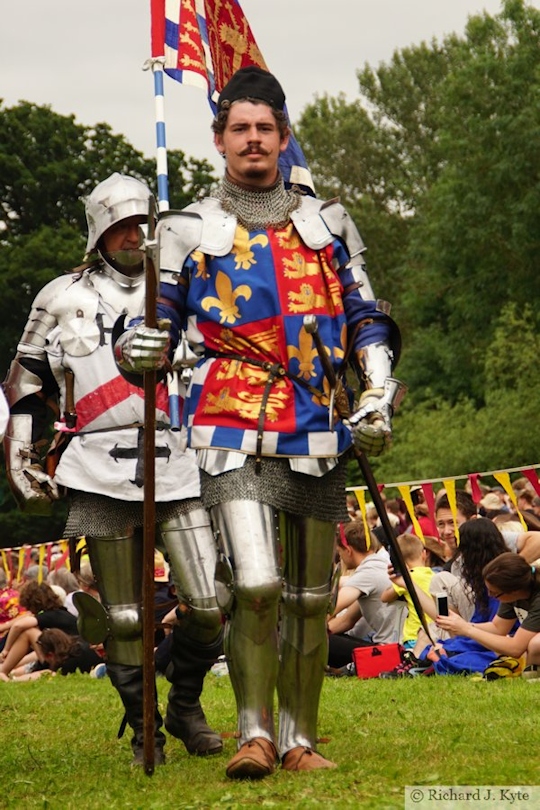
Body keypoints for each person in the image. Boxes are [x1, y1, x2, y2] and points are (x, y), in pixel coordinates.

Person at [115, 66, 403, 778]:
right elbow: (148, 328)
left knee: (309, 597)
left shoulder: (326, 221)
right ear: (219, 140)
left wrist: (377, 389)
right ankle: (253, 733)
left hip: (317, 416)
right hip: (228, 417)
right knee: (258, 585)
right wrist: (139, 346)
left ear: (282, 136)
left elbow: (366, 315)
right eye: (239, 128)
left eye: (264, 128)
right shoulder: (185, 229)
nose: (252, 140)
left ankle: (300, 737)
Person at [1, 173, 223, 765]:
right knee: (123, 617)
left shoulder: (185, 290)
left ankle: (184, 704)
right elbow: (23, 381)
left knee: (207, 604)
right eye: (121, 227)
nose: (132, 238)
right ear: (99, 231)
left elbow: (220, 364)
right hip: (95, 466)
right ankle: (143, 723)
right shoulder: (58, 296)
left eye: (141, 227)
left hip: (179, 462)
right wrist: (21, 458)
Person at [436, 552, 540, 677]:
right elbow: (497, 628)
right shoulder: (513, 594)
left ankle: (531, 677)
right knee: (500, 644)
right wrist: (462, 625)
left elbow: (515, 648)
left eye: (495, 593)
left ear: (513, 590)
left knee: (535, 644)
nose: (490, 596)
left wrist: (468, 630)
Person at [326, 520, 401, 670]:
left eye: (339, 552)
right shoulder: (378, 564)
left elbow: (331, 609)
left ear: (348, 550)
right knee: (324, 638)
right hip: (391, 648)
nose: (339, 557)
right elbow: (346, 621)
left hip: (388, 652)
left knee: (323, 642)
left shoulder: (368, 572)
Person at [0, 580, 78, 679]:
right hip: (68, 656)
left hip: (64, 658)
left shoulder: (50, 616)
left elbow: (18, 626)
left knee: (28, 632)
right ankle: (4, 670)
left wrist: (6, 650)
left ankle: (3, 671)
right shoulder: (61, 614)